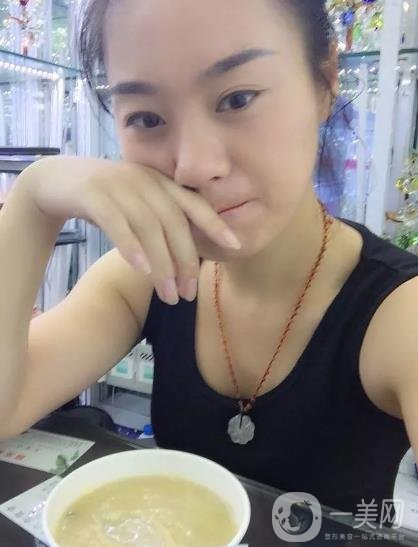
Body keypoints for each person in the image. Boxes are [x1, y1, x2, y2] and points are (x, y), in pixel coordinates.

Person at [0, 0, 417, 518]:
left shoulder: (399, 314)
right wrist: (33, 200)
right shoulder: (146, 276)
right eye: (147, 118)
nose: (193, 166)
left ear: (324, 81)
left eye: (237, 99)